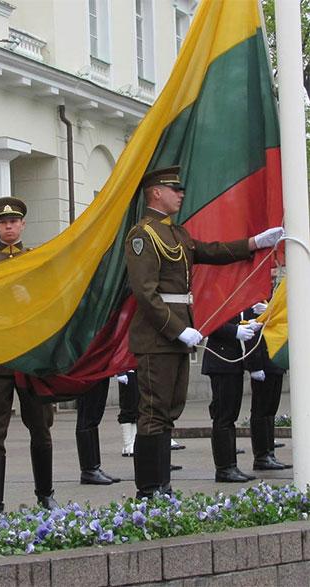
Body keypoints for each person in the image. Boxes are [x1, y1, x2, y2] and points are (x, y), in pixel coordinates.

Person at [124, 165, 283, 498]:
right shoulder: (143, 235)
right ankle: (149, 487)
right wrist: (179, 330)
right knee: (153, 412)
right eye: (174, 189)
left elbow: (212, 251)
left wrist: (255, 242)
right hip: (157, 338)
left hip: (177, 337)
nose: (181, 194)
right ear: (156, 193)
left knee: (169, 411)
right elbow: (145, 292)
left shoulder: (177, 233)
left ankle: (162, 486)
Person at [0, 197, 58, 512]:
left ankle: (45, 495)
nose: (9, 226)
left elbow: (49, 305)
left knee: (40, 427)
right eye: (3, 222)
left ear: (22, 225)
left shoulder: (37, 258)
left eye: (14, 221)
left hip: (29, 358)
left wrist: (27, 298)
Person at [201, 316, 256, 482]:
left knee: (230, 416)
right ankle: (224, 468)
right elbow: (212, 322)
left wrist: (247, 325)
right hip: (221, 361)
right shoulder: (219, 296)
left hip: (231, 361)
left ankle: (231, 465)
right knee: (223, 417)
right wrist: (236, 331)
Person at [244, 300, 292, 470]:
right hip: (263, 363)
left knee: (271, 411)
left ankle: (269, 453)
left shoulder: (272, 297)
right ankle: (261, 456)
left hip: (275, 363)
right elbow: (252, 335)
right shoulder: (254, 297)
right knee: (261, 410)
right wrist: (254, 365)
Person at [75, 379, 121, 484]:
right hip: (89, 371)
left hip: (99, 368)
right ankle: (89, 470)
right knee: (87, 417)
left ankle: (94, 467)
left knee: (94, 416)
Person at [116, 371, 138, 457]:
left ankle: (133, 442)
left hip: (137, 369)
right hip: (127, 369)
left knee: (137, 407)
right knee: (128, 405)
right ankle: (128, 443)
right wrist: (121, 373)